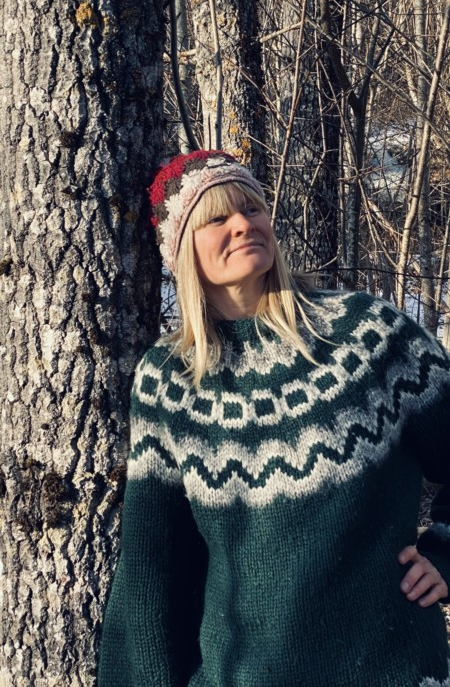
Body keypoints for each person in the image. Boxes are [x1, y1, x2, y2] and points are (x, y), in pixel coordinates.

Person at [98, 149, 450, 687]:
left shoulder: (368, 337)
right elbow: (153, 573)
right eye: (217, 218)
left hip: (392, 669)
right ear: (182, 251)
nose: (243, 225)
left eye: (252, 208)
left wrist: (445, 553)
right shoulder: (170, 381)